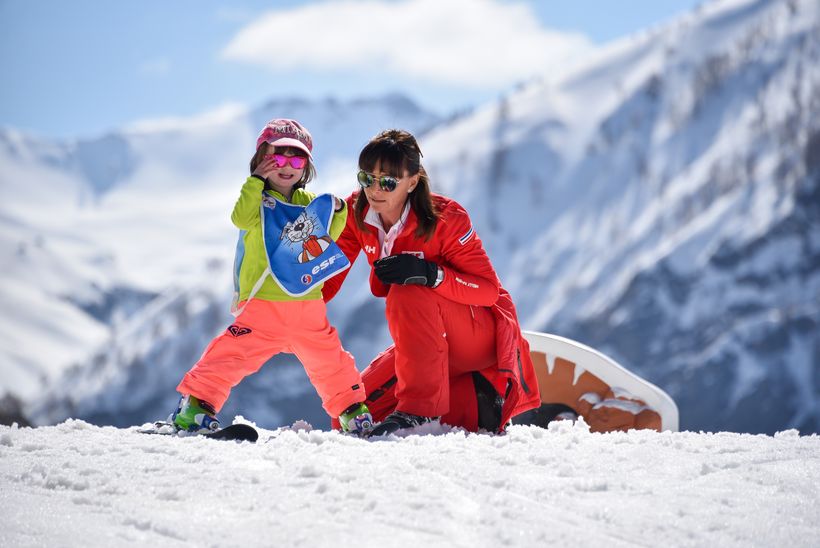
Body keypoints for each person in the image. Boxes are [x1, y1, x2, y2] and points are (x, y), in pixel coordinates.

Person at [322, 129, 541, 436]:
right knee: (352, 412)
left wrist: (432, 274)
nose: (375, 189)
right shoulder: (357, 212)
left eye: (387, 181)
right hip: (427, 342)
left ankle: (419, 411)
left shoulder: (446, 218)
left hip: (476, 335)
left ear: (412, 182)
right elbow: (328, 276)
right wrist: (290, 303)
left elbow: (488, 290)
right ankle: (478, 402)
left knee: (408, 289)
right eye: (366, 178)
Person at [170, 119, 373, 435]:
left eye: (297, 159)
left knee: (330, 360)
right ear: (261, 159)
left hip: (306, 302)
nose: (287, 166)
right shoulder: (258, 202)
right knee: (230, 354)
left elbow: (325, 238)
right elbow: (240, 217)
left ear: (306, 166)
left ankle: (351, 410)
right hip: (265, 304)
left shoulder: (307, 202)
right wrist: (254, 182)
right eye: (278, 157)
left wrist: (337, 211)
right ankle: (195, 407)